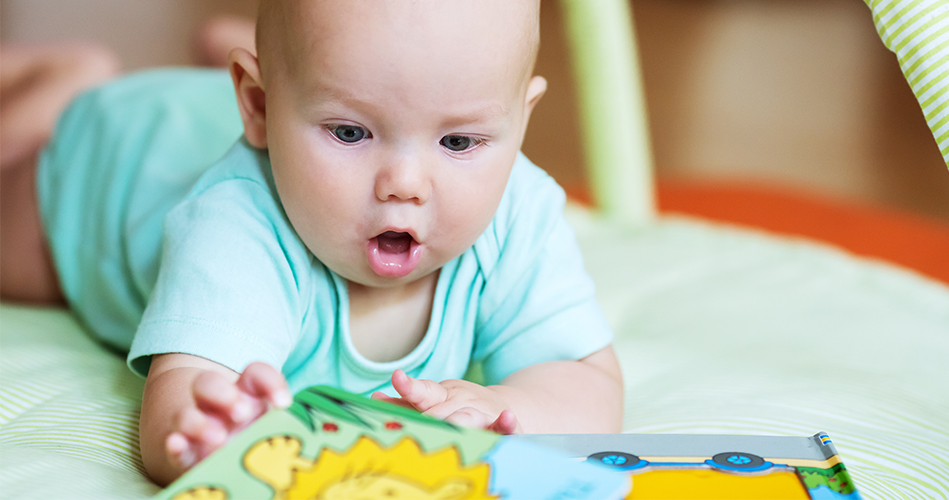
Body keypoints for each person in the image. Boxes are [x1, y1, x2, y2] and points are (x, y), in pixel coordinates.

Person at [0, 0, 624, 486]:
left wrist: (508, 409)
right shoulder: (237, 223)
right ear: (258, 107)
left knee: (333, 72)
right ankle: (63, 76)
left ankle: (278, 66)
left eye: (459, 142)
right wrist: (216, 429)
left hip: (265, 101)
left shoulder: (520, 212)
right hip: (107, 167)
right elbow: (185, 395)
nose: (405, 185)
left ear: (521, 120)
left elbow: (583, 379)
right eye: (351, 132)